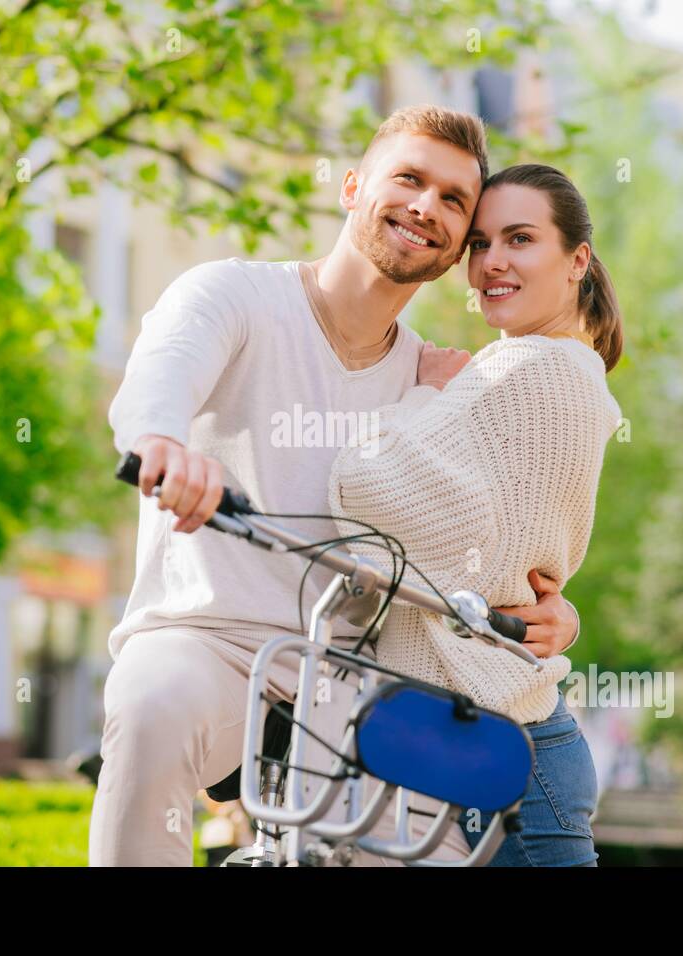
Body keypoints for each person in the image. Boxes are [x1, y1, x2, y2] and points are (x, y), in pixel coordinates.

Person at [90, 106, 580, 866]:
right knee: (151, 707)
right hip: (207, 642)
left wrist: (554, 615)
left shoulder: (438, 382)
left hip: (359, 676)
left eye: (454, 201)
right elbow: (163, 372)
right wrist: (161, 443)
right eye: (409, 179)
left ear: (456, 249)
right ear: (353, 187)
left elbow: (491, 542)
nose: (428, 206)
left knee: (434, 854)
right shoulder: (235, 296)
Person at [329, 163, 623, 866]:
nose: (492, 263)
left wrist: (424, 393)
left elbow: (364, 487)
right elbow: (501, 550)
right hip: (504, 737)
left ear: (576, 258)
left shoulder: (524, 370)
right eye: (481, 244)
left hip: (495, 745)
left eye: (519, 239)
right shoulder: (564, 370)